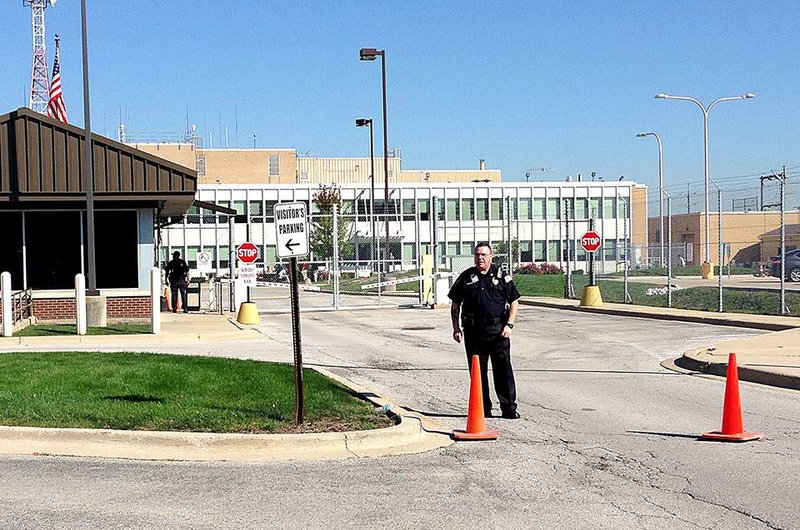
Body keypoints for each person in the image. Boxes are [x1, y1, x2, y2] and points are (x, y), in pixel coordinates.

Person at [449, 242, 520, 419]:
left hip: (498, 331)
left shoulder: (501, 275)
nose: (480, 258)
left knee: (503, 371)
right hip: (474, 332)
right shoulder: (466, 276)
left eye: (483, 255)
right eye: (477, 255)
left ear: (491, 256)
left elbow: (514, 302)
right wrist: (456, 327)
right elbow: (455, 303)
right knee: (478, 374)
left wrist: (509, 325)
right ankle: (483, 409)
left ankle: (509, 408)